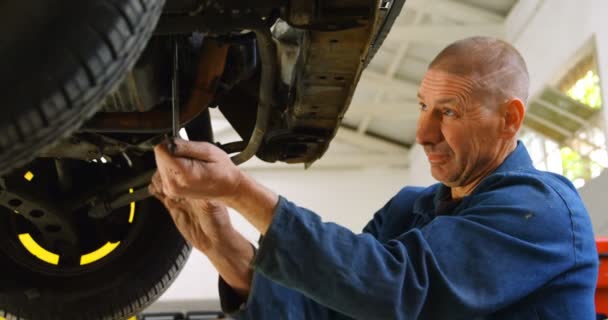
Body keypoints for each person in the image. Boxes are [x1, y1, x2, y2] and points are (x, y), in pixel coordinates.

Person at [148, 36, 599, 319]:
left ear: (509, 120)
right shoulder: (409, 210)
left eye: (448, 112)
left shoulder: (541, 212)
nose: (424, 134)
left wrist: (240, 191)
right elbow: (333, 308)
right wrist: (223, 247)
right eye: (423, 107)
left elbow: (399, 291)